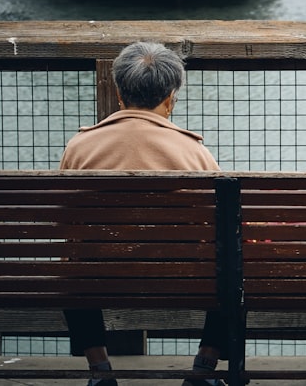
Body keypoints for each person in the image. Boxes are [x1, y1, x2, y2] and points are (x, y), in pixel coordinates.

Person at [58, 41, 228, 386]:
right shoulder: (194, 152)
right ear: (170, 97)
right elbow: (219, 226)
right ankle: (204, 366)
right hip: (184, 280)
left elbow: (67, 227)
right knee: (232, 265)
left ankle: (100, 368)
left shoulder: (80, 147)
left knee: (73, 266)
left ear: (119, 94)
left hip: (96, 279)